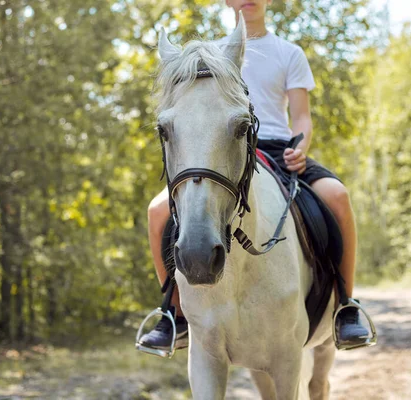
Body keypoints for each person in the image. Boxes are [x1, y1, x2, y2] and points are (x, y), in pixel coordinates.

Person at [138, 0, 369, 351]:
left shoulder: (289, 53)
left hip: (278, 148)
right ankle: (175, 314)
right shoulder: (207, 55)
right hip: (223, 153)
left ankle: (345, 306)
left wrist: (301, 146)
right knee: (158, 212)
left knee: (337, 196)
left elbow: (302, 116)